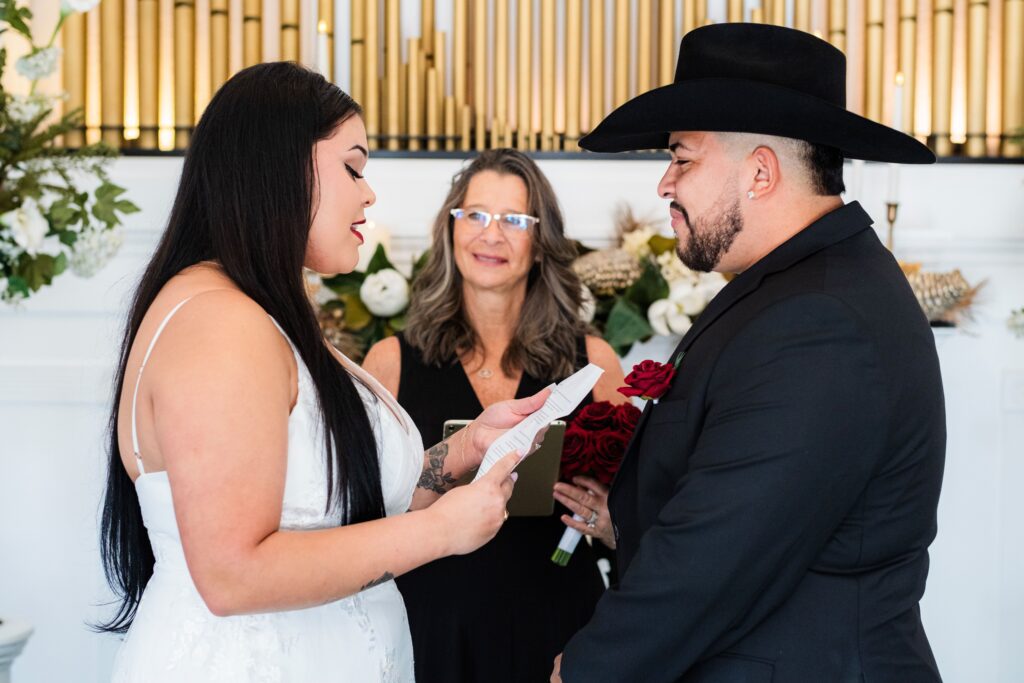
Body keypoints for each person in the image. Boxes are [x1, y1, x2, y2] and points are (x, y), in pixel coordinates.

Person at [97, 62, 549, 681]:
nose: (368, 194)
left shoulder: (261, 311)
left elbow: (341, 502)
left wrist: (468, 448)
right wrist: (441, 533)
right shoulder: (219, 322)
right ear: (278, 165)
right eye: (354, 167)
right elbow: (232, 573)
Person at [552, 24, 945, 683]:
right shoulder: (803, 287)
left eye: (682, 158)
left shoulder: (819, 318)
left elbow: (717, 553)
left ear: (760, 172)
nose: (664, 185)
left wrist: (588, 669)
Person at [362, 148, 628, 683]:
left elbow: (648, 515)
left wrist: (610, 525)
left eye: (514, 220)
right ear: (451, 230)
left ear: (540, 242)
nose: (491, 234)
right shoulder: (389, 362)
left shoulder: (594, 362)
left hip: (560, 630)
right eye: (476, 215)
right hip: (429, 626)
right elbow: (364, 514)